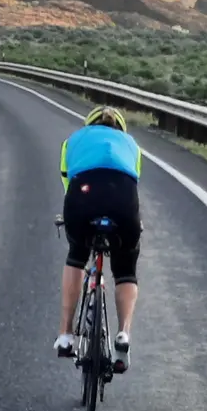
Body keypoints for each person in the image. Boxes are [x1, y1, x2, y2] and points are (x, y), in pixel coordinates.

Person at [54, 105, 142, 373]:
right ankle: (124, 333)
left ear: (88, 124)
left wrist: (72, 217)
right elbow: (133, 183)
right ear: (121, 129)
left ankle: (66, 334)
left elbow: (67, 183)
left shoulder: (72, 141)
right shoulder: (132, 145)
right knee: (125, 269)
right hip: (123, 200)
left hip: (83, 196)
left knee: (77, 255)